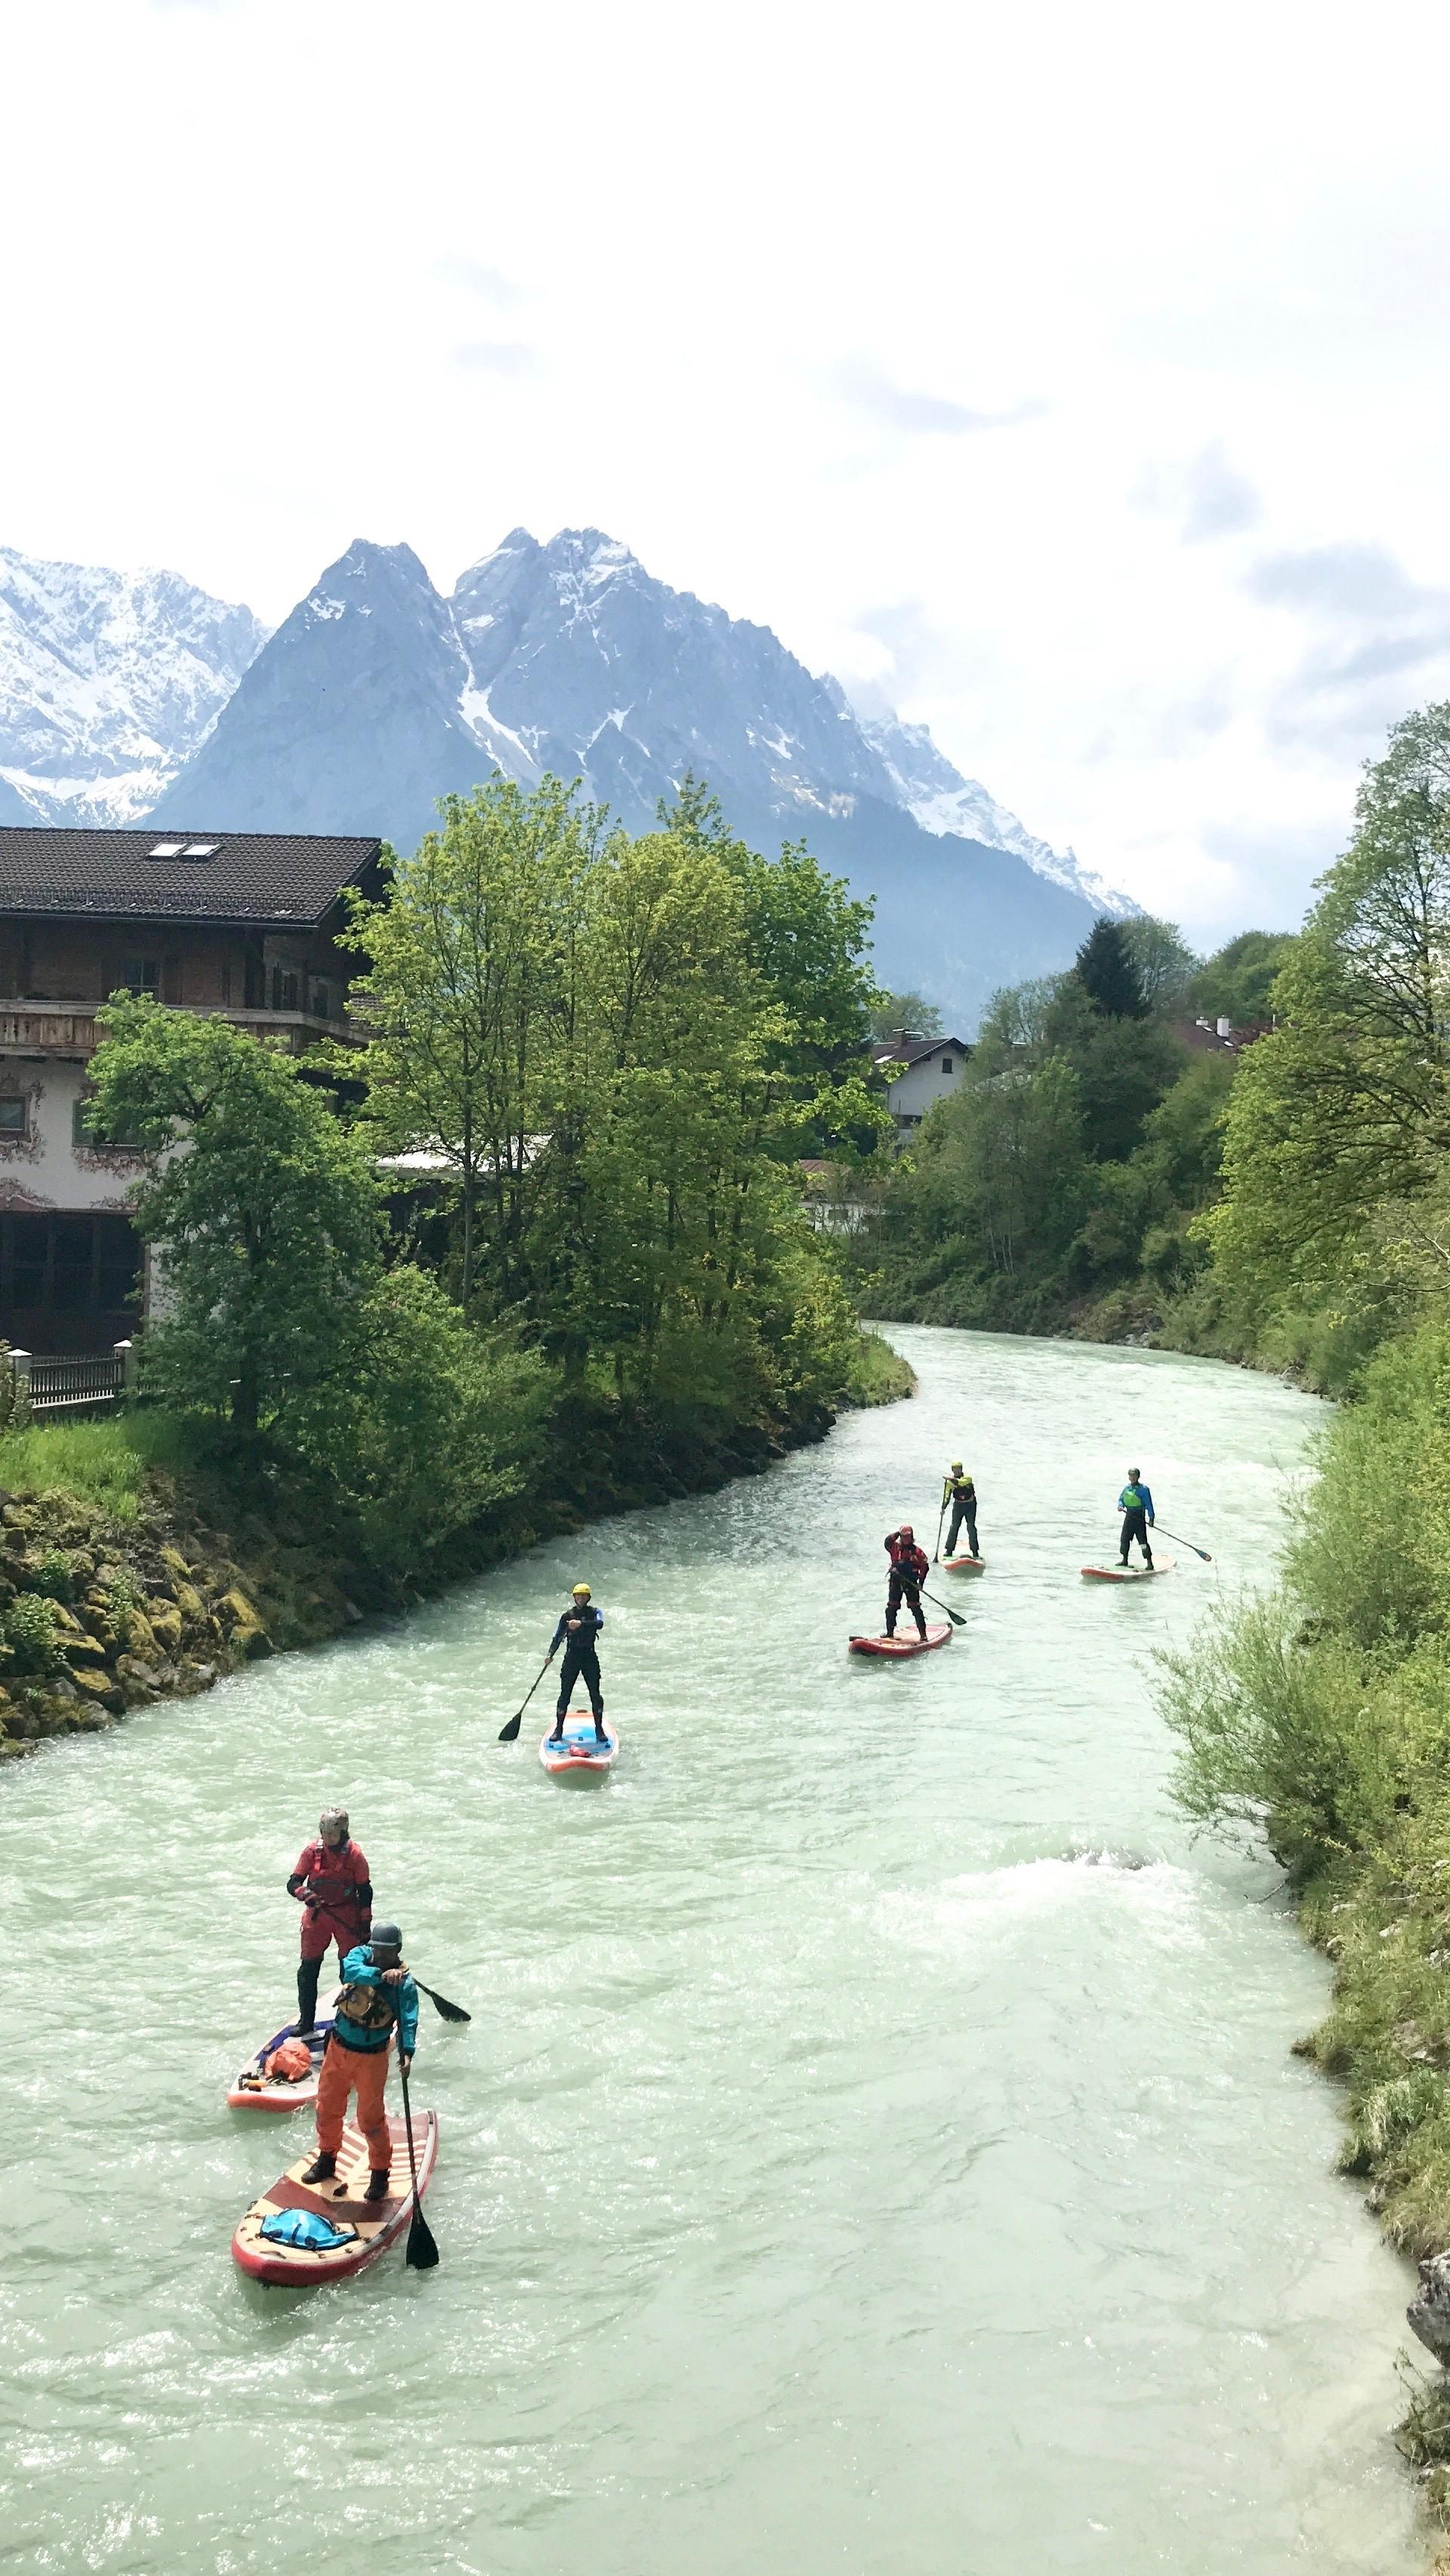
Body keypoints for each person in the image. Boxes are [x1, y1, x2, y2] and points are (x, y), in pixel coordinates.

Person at [303, 1923, 418, 2204]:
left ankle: (380, 2174)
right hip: (338, 2049)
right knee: (327, 2108)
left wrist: (406, 2053)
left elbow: (408, 2021)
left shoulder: (404, 1984)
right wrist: (380, 1974)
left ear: (397, 1951)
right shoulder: (360, 1956)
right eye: (377, 1949)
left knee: (371, 2120)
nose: (379, 1954)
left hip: (372, 2058)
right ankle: (327, 2159)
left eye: (386, 1952)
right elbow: (350, 1971)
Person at [288, 1807, 372, 2035]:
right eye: (325, 1835)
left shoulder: (354, 1855)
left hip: (347, 1915)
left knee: (351, 1970)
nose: (328, 1839)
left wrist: (365, 1925)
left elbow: (365, 1891)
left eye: (333, 1835)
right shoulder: (311, 1852)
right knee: (307, 1970)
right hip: (318, 1916)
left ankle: (349, 2018)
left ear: (344, 1832)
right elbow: (293, 1883)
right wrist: (306, 1894)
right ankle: (306, 2022)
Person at [548, 1582, 606, 1746]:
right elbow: (558, 1635)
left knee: (595, 1694)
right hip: (572, 1657)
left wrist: (582, 1624)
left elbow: (600, 1624)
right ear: (574, 1598)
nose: (580, 1598)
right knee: (565, 1694)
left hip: (589, 1657)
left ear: (588, 1597)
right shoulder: (567, 1616)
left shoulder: (595, 1612)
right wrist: (550, 1654)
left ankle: (599, 1730)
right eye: (578, 1596)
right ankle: (558, 1730)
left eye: (583, 1596)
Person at [884, 1524, 930, 1639]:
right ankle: (890, 1633)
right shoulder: (894, 1547)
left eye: (909, 1536)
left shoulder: (917, 1552)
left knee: (915, 1607)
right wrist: (898, 1533)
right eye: (904, 1536)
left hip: (911, 1583)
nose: (907, 1538)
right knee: (891, 1608)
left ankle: (923, 1635)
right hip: (895, 1582)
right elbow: (887, 1541)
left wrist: (921, 1583)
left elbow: (925, 1567)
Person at [1118, 1468, 1155, 1568]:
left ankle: (1149, 1563)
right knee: (1124, 1539)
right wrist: (1120, 1505)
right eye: (1131, 1476)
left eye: (1134, 1476)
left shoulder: (1143, 1490)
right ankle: (1124, 1560)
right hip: (1129, 1516)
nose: (1133, 1478)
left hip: (1139, 1517)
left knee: (1142, 1541)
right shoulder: (1127, 1488)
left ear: (1138, 1477)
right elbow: (1121, 1499)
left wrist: (1151, 1519)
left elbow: (1149, 1505)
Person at [941, 1462, 979, 1559]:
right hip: (958, 1506)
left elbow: (960, 1482)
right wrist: (943, 1507)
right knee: (954, 1527)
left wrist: (950, 1479)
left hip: (970, 1505)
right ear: (952, 1470)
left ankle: (975, 1551)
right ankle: (949, 1550)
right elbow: (947, 1495)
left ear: (961, 1469)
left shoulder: (968, 1478)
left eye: (958, 1468)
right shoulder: (949, 1483)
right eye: (955, 1469)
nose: (957, 1470)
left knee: (971, 1527)